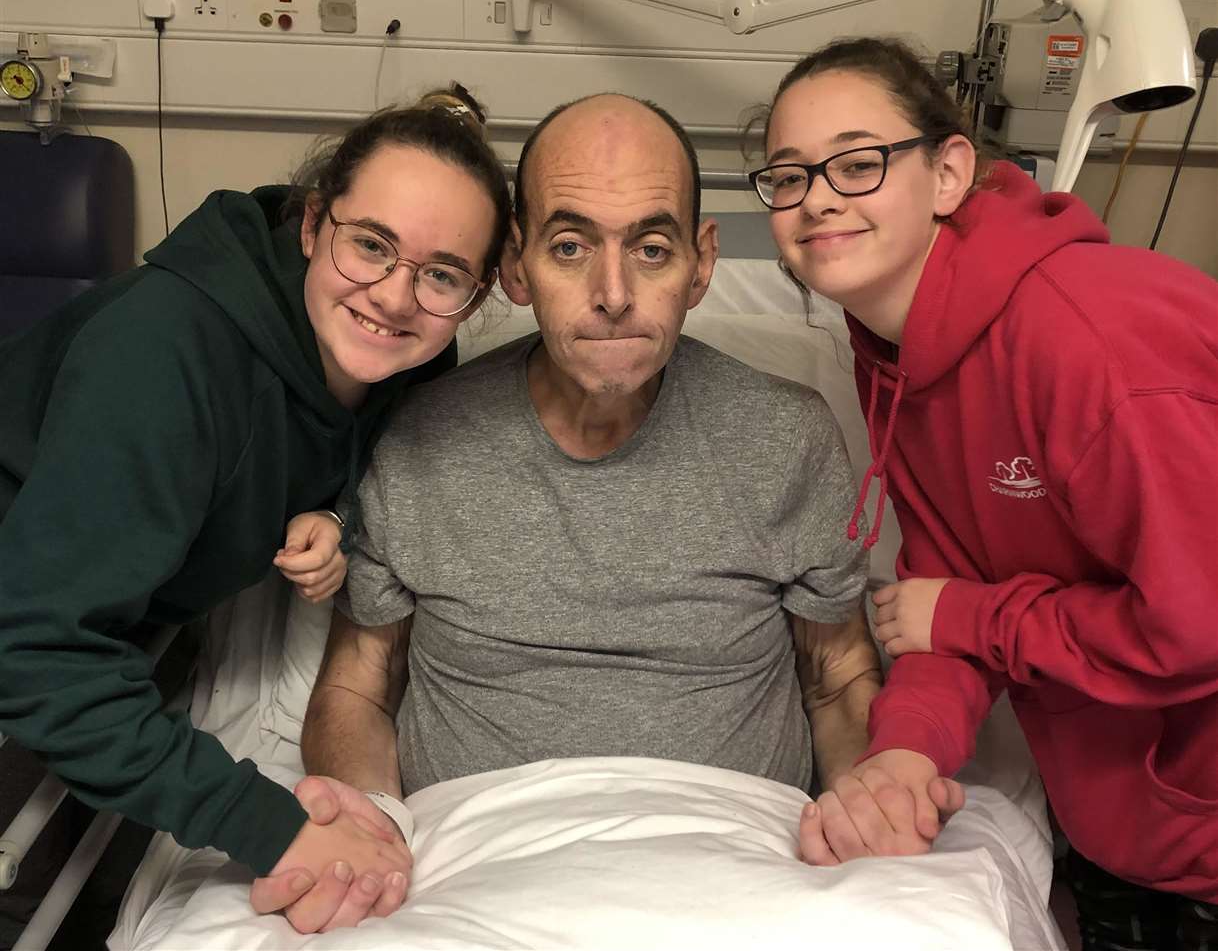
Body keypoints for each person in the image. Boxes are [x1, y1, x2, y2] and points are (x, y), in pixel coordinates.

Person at [268, 92, 962, 935]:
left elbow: (839, 675)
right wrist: (366, 825)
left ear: (700, 264)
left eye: (653, 248)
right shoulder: (420, 437)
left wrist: (865, 793)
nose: (613, 294)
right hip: (475, 855)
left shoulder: (784, 438)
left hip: (735, 852)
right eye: (570, 247)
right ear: (517, 266)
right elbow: (357, 686)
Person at [0, 84, 512, 941]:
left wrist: (338, 513)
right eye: (371, 245)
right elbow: (36, 647)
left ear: (478, 289)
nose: (395, 296)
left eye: (442, 274)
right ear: (312, 225)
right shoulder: (164, 354)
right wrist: (272, 828)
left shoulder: (415, 359)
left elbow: (345, 436)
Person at [752, 36, 1218, 949]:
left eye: (857, 163)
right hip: (1125, 829)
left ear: (950, 171)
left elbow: (1196, 620)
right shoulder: (899, 350)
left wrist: (973, 620)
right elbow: (947, 589)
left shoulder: (1095, 344)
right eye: (789, 175)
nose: (817, 199)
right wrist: (900, 757)